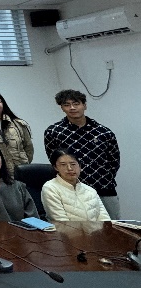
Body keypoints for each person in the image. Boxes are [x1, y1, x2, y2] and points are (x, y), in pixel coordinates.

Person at [44, 89, 121, 219]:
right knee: (77, 228)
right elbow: (55, 160)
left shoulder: (104, 132)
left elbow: (114, 161)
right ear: (62, 108)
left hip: (104, 188)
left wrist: (104, 178)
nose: (72, 108)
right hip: (72, 190)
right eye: (67, 105)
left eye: (76, 103)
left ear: (84, 105)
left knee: (113, 226)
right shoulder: (54, 132)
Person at [41, 148, 110, 222]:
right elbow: (62, 222)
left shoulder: (90, 191)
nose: (69, 168)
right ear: (56, 167)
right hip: (65, 229)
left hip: (95, 229)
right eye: (63, 165)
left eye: (73, 164)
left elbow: (105, 220)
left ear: (79, 166)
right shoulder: (50, 188)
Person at [0, 90, 33, 175]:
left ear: (3, 104)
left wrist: (24, 165)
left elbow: (28, 148)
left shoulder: (18, 124)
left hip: (21, 172)